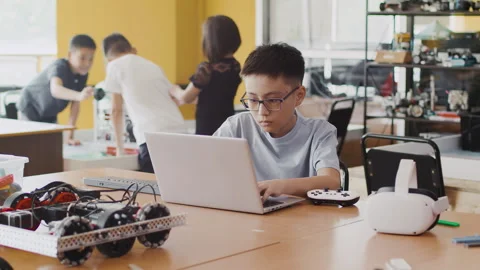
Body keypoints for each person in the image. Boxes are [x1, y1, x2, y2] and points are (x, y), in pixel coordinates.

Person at [213, 43, 341, 202]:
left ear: (299, 96)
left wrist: (280, 187)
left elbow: (332, 181)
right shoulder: (236, 126)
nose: (261, 112)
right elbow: (204, 168)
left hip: (304, 222)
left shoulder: (319, 132)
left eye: (273, 100)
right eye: (252, 100)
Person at [102, 33, 185, 173]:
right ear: (131, 49)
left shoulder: (114, 66)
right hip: (179, 134)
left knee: (150, 191)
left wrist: (119, 149)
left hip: (152, 138)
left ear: (108, 58)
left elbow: (116, 111)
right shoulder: (153, 66)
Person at [17, 34, 96, 145]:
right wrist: (79, 95)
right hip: (31, 107)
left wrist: (69, 136)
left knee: (52, 147)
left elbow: (75, 106)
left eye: (91, 59)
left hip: (50, 113)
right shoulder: (59, 66)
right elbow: (56, 89)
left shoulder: (82, 75)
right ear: (70, 55)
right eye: (82, 58)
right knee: (31, 145)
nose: (87, 63)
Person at [169, 15, 242, 135]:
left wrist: (175, 90)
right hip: (227, 122)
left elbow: (186, 97)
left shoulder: (206, 69)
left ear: (209, 42)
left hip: (207, 125)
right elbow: (216, 96)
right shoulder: (235, 66)